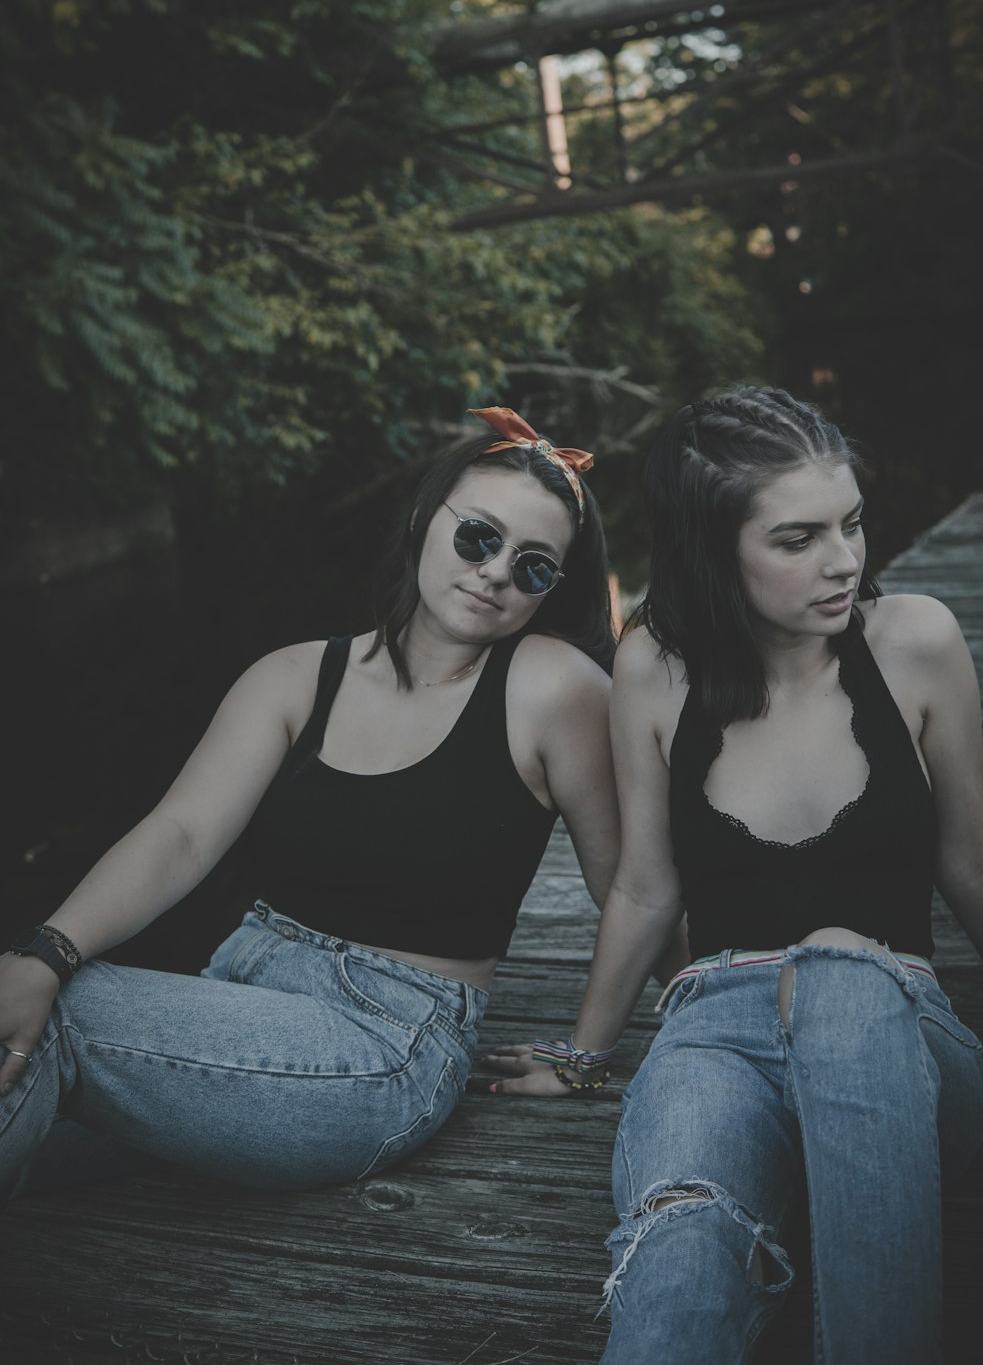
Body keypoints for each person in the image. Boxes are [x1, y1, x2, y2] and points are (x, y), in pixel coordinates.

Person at [487, 385, 983, 1364]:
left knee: (839, 965)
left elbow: (971, 856)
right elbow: (645, 886)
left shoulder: (917, 643)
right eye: (797, 539)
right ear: (712, 548)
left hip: (896, 1033)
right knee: (683, 1236)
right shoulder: (652, 670)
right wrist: (585, 1058)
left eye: (849, 523)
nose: (843, 560)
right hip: (717, 1029)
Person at [0, 406, 622, 1202]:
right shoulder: (294, 678)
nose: (497, 571)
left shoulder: (554, 688)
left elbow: (633, 887)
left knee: (59, 1018)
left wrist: (587, 1058)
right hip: (235, 991)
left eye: (534, 566)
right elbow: (182, 835)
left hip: (383, 1044)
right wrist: (46, 949)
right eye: (478, 537)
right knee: (32, 1142)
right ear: (423, 523)